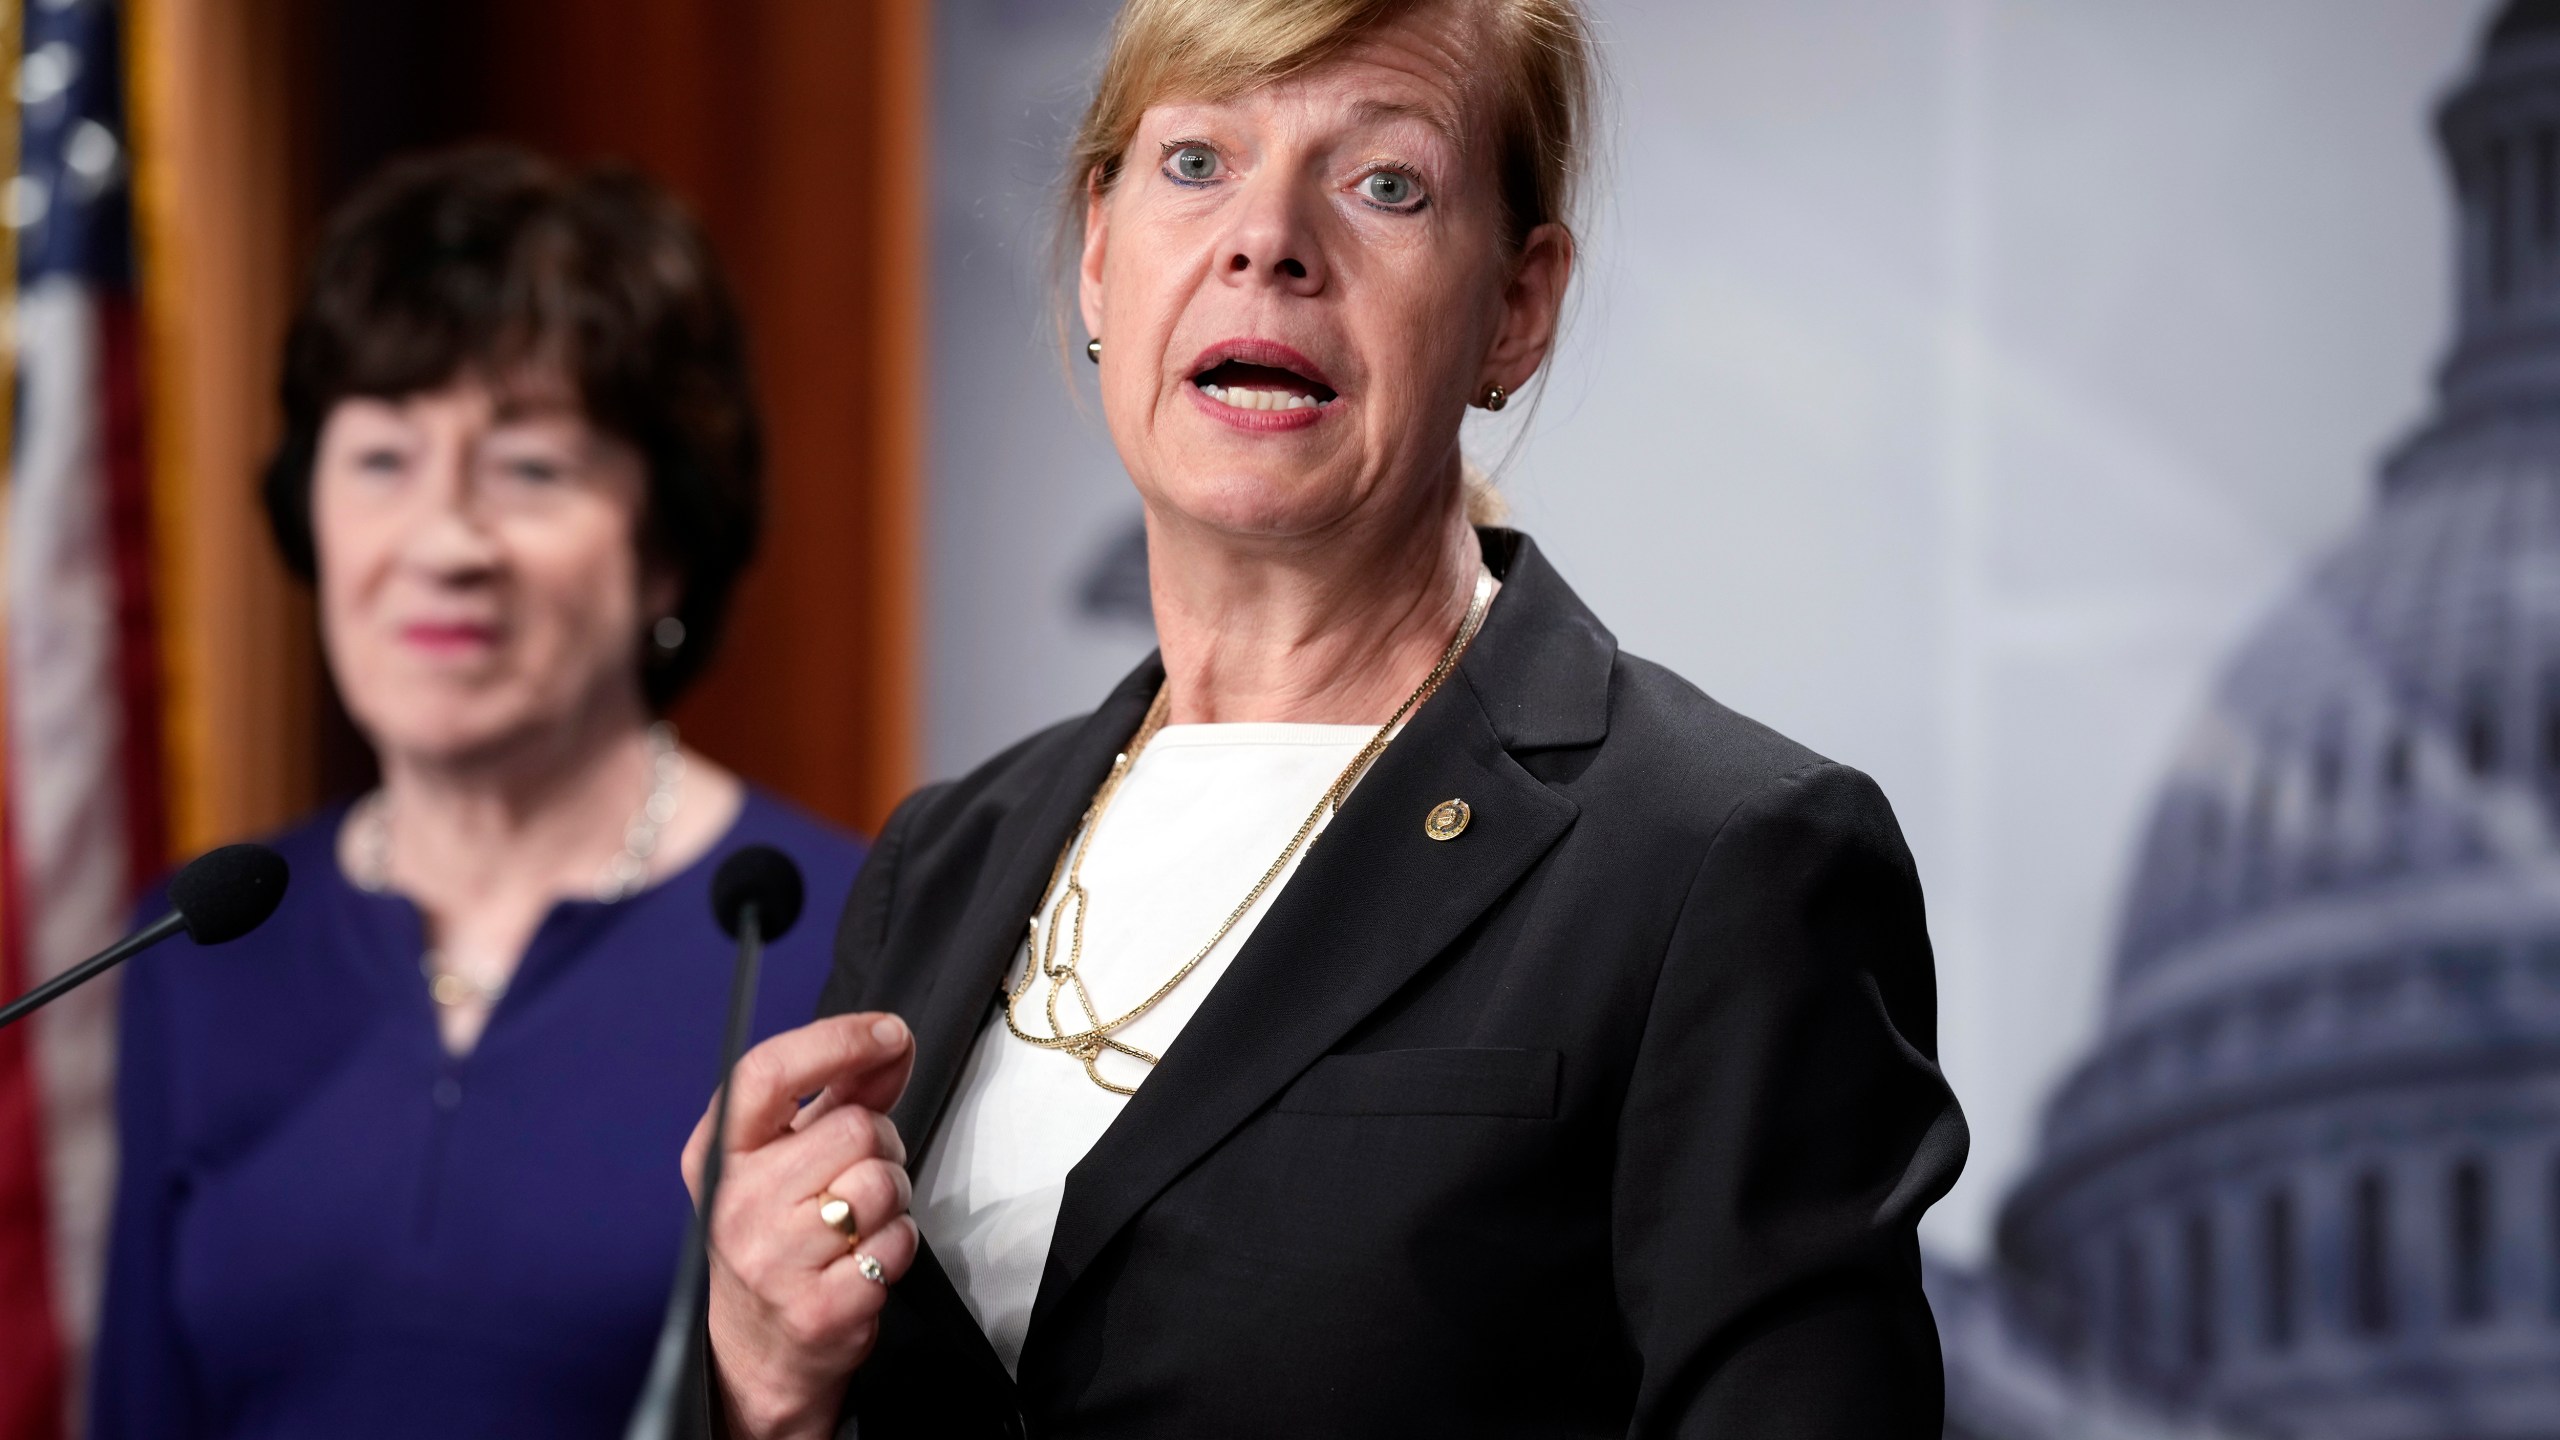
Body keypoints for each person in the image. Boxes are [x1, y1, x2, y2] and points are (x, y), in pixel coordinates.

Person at [686, 1, 1967, 1435]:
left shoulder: (1721, 862)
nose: (1266, 238)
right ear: (1100, 258)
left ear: (1517, 307)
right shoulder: (941, 860)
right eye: (1194, 162)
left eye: (1385, 184)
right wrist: (758, 1385)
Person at [90, 147, 867, 1438]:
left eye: (530, 469)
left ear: (665, 548)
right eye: (384, 460)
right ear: (312, 513)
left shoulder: (831, 943)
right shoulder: (198, 941)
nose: (445, 543)